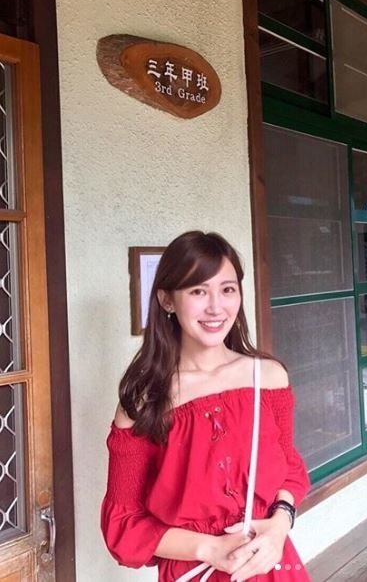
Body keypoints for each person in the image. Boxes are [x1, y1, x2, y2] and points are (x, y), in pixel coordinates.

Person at [101, 231, 311, 581]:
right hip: (195, 572)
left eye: (227, 289)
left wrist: (280, 524)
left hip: (271, 564)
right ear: (167, 300)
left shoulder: (268, 378)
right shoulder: (144, 401)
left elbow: (289, 467)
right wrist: (209, 548)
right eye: (198, 291)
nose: (216, 307)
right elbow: (123, 524)